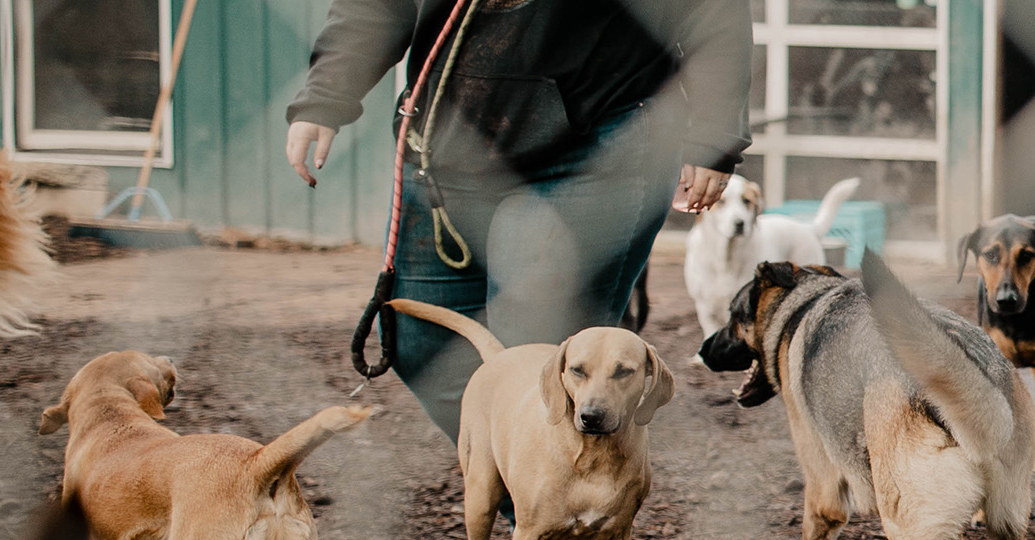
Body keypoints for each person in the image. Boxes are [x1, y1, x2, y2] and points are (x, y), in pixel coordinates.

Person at [283, 0, 752, 441]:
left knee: (538, 349)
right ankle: (521, 484)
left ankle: (548, 512)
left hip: (599, 143)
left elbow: (711, 11)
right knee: (422, 339)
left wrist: (713, 134)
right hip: (448, 136)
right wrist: (327, 94)